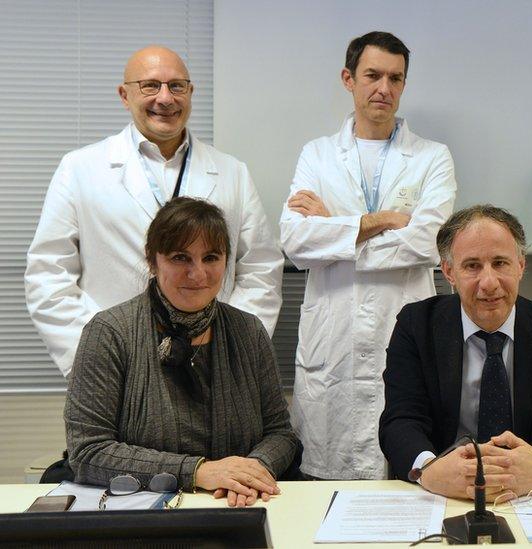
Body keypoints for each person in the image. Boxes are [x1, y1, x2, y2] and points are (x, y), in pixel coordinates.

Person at [26, 46, 283, 378]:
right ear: (125, 94)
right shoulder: (79, 169)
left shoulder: (232, 172)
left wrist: (229, 346)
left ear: (190, 92)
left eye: (177, 86)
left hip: (210, 364)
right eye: (150, 85)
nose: (165, 98)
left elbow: (261, 268)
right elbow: (48, 274)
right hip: (115, 365)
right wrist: (95, 352)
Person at [281, 31, 456, 480]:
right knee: (326, 478)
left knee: (404, 470)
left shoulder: (433, 157)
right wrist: (377, 221)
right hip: (333, 338)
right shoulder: (317, 155)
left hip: (402, 325)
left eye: (395, 78)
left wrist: (334, 230)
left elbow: (427, 243)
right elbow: (296, 242)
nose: (384, 88)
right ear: (348, 78)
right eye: (373, 75)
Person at [65, 197, 299, 507]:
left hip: (237, 505)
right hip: (144, 519)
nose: (198, 273)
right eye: (180, 258)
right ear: (153, 260)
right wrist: (199, 471)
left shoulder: (249, 331)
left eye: (211, 257)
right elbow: (88, 451)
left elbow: (280, 433)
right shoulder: (109, 333)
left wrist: (250, 472)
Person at [379, 205, 532, 500]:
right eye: (472, 266)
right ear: (449, 271)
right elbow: (400, 422)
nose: (489, 283)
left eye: (500, 263)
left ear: (521, 265)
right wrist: (430, 469)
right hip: (444, 496)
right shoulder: (416, 326)